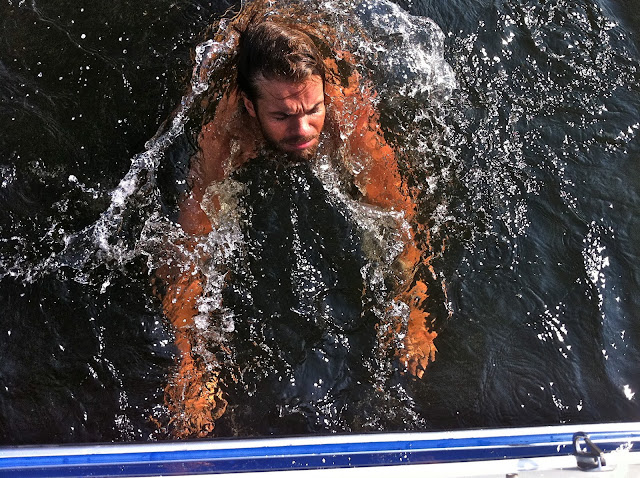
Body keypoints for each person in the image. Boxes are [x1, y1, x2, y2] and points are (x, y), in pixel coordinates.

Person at [158, 4, 438, 438]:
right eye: (283, 116)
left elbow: (397, 215)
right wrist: (189, 366)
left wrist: (412, 310)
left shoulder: (347, 113)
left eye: (312, 110)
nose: (304, 129)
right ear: (250, 107)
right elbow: (189, 250)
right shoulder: (226, 133)